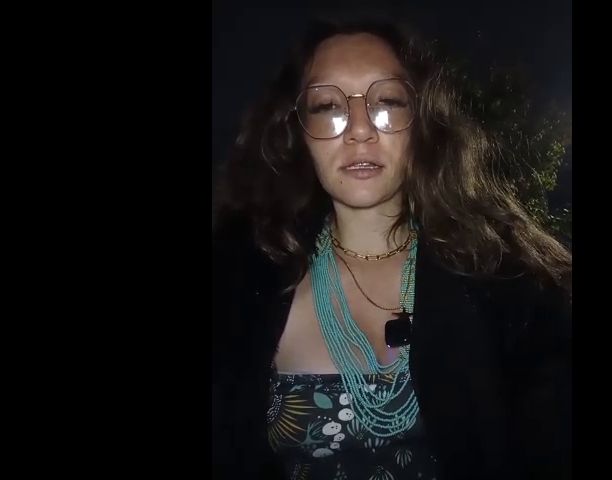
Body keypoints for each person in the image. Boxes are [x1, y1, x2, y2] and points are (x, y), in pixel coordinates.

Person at [213, 17, 572, 480]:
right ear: (298, 132)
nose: (360, 129)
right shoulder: (236, 287)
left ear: (422, 124)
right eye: (328, 106)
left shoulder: (509, 287)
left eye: (387, 102)